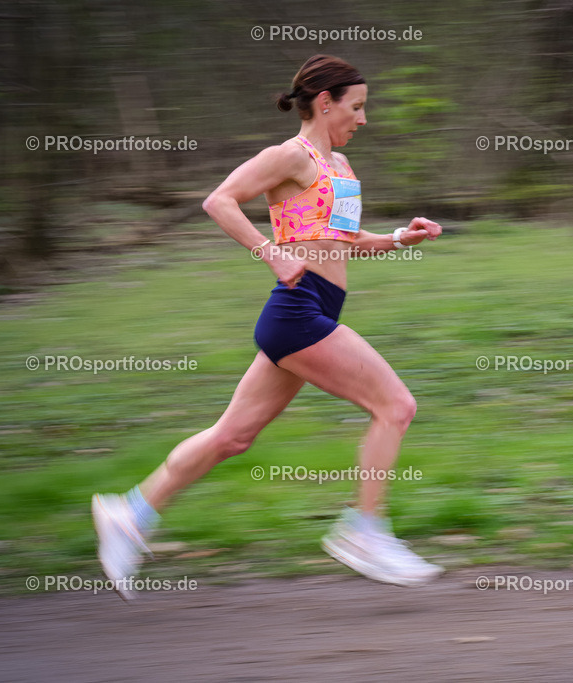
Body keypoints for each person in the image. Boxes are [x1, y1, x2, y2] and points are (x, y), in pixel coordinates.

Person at [92, 54, 444, 599]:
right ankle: (365, 530)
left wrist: (399, 238)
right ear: (324, 103)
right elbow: (219, 201)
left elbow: (344, 242)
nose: (363, 118)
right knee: (396, 407)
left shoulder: (340, 166)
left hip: (316, 309)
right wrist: (270, 252)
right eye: (356, 107)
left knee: (232, 437)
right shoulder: (289, 156)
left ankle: (130, 513)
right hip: (298, 312)